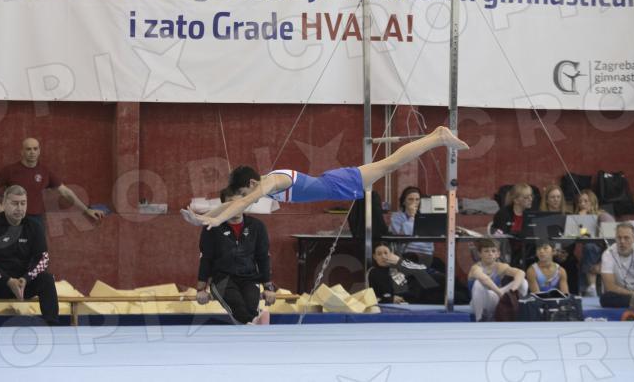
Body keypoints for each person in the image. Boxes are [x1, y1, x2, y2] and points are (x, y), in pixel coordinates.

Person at [187, 126, 467, 228]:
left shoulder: (271, 182)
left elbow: (239, 203)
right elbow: (234, 203)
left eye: (244, 193)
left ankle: (437, 137)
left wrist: (216, 219)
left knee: (390, 164)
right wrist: (204, 217)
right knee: (388, 165)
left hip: (336, 183)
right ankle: (436, 137)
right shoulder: (263, 185)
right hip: (334, 184)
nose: (245, 199)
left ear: (251, 183)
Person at [0, 185, 59, 327]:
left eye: (23, 203)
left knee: (47, 279)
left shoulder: (35, 226)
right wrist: (8, 281)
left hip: (23, 286)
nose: (19, 208)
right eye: (15, 203)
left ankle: (52, 326)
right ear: (4, 204)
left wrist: (25, 279)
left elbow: (43, 259)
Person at [196, 188, 275, 324]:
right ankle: (255, 322)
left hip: (250, 278)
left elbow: (263, 258)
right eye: (231, 203)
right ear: (223, 205)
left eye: (240, 202)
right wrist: (201, 289)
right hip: (222, 279)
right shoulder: (212, 227)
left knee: (250, 309)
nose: (236, 206)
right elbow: (206, 258)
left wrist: (268, 288)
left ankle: (253, 322)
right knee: (238, 307)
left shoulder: (257, 226)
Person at [0, 137, 104, 221]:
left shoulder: (45, 171)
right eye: (28, 149)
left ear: (39, 151)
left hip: (36, 220)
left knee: (39, 251)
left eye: (35, 149)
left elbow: (65, 192)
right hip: (14, 219)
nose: (32, 152)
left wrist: (86, 210)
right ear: (22, 152)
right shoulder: (10, 170)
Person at [468, 238, 528, 322]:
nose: (490, 254)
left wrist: (512, 291)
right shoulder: (475, 268)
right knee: (478, 283)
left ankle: (517, 311)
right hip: (480, 303)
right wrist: (500, 293)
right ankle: (479, 319)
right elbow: (484, 278)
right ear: (479, 254)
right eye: (486, 251)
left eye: (493, 251)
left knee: (523, 282)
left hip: (497, 299)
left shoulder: (500, 266)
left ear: (498, 254)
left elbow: (521, 273)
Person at [368, 242, 445, 304]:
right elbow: (372, 298)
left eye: (386, 253)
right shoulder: (373, 272)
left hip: (417, 297)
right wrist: (390, 299)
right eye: (379, 254)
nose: (383, 256)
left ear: (391, 254)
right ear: (374, 256)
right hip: (401, 302)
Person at [573, 189, 614, 297]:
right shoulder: (583, 219)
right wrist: (581, 220)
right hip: (592, 255)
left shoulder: (604, 217)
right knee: (587, 249)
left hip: (608, 254)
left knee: (589, 247)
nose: (582, 204)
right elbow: (585, 237)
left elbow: (612, 243)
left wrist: (601, 264)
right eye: (580, 202)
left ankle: (589, 288)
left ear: (593, 202)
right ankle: (588, 289)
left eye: (586, 201)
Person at [389, 186, 438, 269]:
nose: (414, 202)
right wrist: (412, 217)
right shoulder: (397, 217)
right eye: (410, 199)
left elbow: (431, 237)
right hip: (406, 253)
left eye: (417, 199)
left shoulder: (425, 216)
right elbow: (404, 235)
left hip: (426, 254)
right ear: (404, 202)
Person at [490, 183, 534, 267]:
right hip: (507, 254)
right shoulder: (503, 214)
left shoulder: (532, 214)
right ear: (516, 200)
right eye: (526, 197)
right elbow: (502, 238)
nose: (530, 199)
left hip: (528, 254)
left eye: (531, 196)